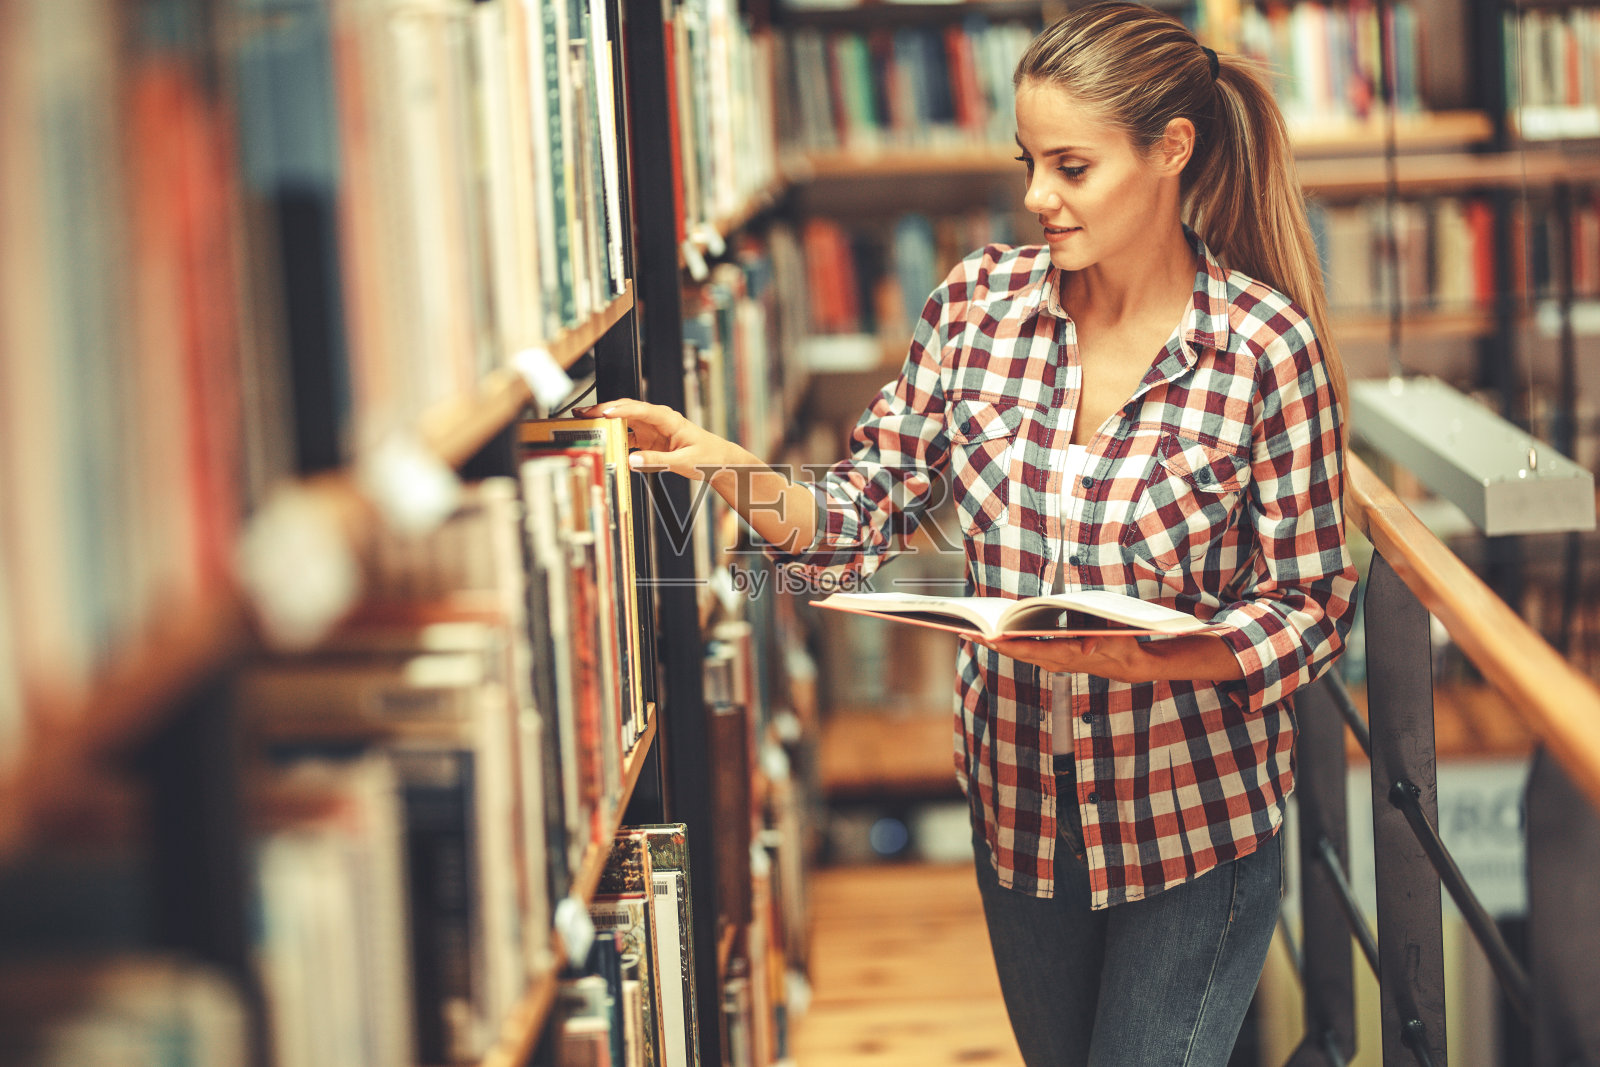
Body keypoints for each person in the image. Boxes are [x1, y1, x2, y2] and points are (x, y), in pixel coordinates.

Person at [586, 3, 1357, 1062]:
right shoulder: (977, 307)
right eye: (1027, 159)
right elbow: (860, 516)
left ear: (1171, 151)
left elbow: (1310, 605)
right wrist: (732, 470)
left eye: (1072, 167)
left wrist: (1174, 652)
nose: (1036, 194)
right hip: (1022, 822)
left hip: (1196, 830)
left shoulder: (1263, 350)